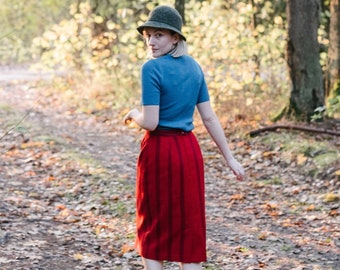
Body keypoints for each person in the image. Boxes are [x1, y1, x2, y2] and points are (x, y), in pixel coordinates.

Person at [123, 5, 245, 270]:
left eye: (159, 35)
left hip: (160, 151)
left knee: (153, 225)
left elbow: (152, 122)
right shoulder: (194, 67)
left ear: (175, 38)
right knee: (188, 228)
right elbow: (209, 117)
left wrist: (134, 113)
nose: (151, 42)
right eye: (148, 35)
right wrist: (230, 158)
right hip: (189, 152)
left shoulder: (151, 68)